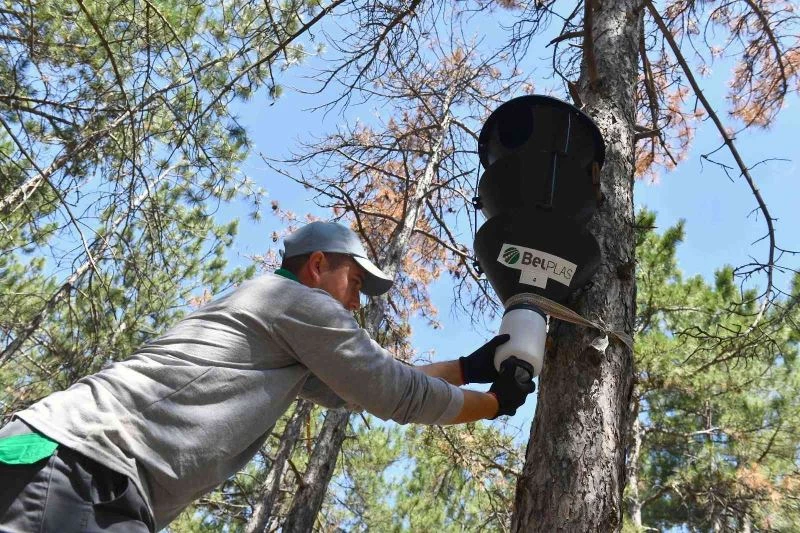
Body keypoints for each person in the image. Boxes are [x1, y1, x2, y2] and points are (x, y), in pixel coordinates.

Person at [0, 221, 535, 532]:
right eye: (354, 281)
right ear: (318, 265)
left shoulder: (277, 330)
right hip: (79, 467)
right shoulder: (296, 302)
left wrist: (470, 368)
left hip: (67, 464)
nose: (356, 300)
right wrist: (494, 404)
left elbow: (372, 385)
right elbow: (392, 392)